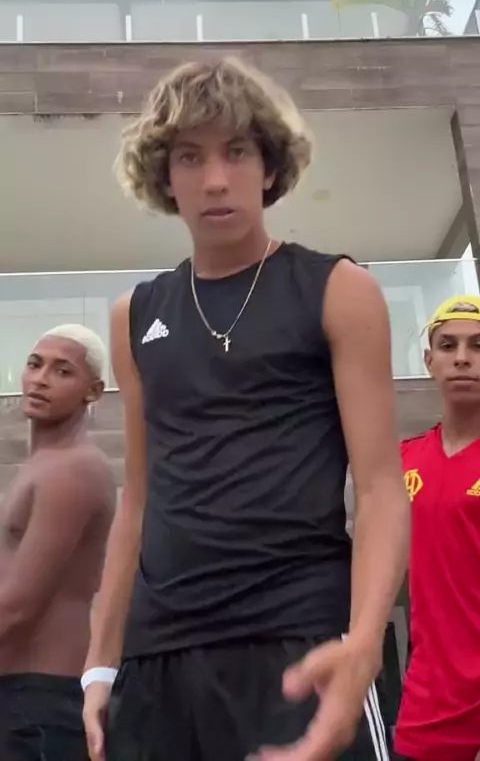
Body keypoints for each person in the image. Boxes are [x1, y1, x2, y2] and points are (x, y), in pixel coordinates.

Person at [83, 57, 409, 761]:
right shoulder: (135, 315)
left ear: (268, 167)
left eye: (236, 151)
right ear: (164, 176)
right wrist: (101, 665)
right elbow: (137, 497)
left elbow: (381, 487)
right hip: (159, 659)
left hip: (299, 644)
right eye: (190, 157)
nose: (215, 179)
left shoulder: (338, 290)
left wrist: (363, 643)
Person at [0, 324, 116, 760]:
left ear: (94, 391)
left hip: (42, 701)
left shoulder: (74, 469)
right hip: (21, 698)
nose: (41, 379)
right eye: (35, 364)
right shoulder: (41, 466)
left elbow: (19, 602)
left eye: (63, 371)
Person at [394, 296, 480, 761]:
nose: (463, 357)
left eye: (478, 345)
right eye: (449, 345)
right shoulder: (402, 461)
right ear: (429, 361)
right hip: (431, 698)